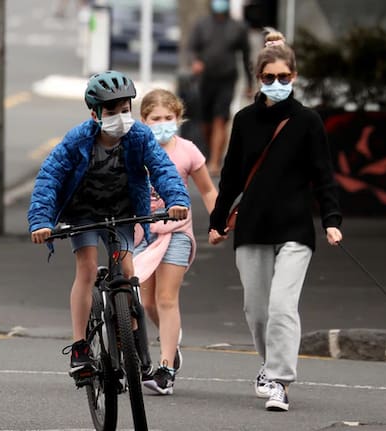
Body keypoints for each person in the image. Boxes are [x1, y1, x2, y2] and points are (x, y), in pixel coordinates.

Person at [207, 30, 343, 412]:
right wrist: (217, 222)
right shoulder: (245, 120)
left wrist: (332, 219)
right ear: (258, 79)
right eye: (270, 78)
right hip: (252, 227)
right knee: (257, 309)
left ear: (294, 77)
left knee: (283, 306)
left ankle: (280, 381)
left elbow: (324, 175)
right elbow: (232, 176)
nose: (278, 84)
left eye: (285, 78)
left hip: (296, 229)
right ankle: (268, 366)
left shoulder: (308, 121)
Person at [28, 70, 190, 384]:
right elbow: (49, 178)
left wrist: (176, 199)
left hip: (122, 210)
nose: (121, 117)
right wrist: (41, 221)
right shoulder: (78, 139)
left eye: (125, 110)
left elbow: (162, 169)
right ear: (95, 114)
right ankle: (79, 347)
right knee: (87, 269)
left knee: (128, 272)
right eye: (112, 112)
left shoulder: (140, 136)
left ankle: (130, 342)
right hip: (85, 211)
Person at [133, 89, 218, 395]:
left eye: (169, 118)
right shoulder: (135, 149)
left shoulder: (187, 151)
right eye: (156, 118)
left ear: (178, 119)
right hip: (141, 234)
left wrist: (218, 222)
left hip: (176, 233)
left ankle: (166, 368)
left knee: (167, 299)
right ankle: (172, 340)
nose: (163, 123)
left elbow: (208, 191)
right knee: (145, 302)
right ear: (143, 120)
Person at [188, 0, 253, 176]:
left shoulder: (238, 27)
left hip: (227, 79)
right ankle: (209, 154)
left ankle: (215, 161)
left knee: (220, 119)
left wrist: (250, 83)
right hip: (205, 80)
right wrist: (195, 62)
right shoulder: (202, 25)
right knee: (206, 123)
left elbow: (246, 56)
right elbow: (192, 48)